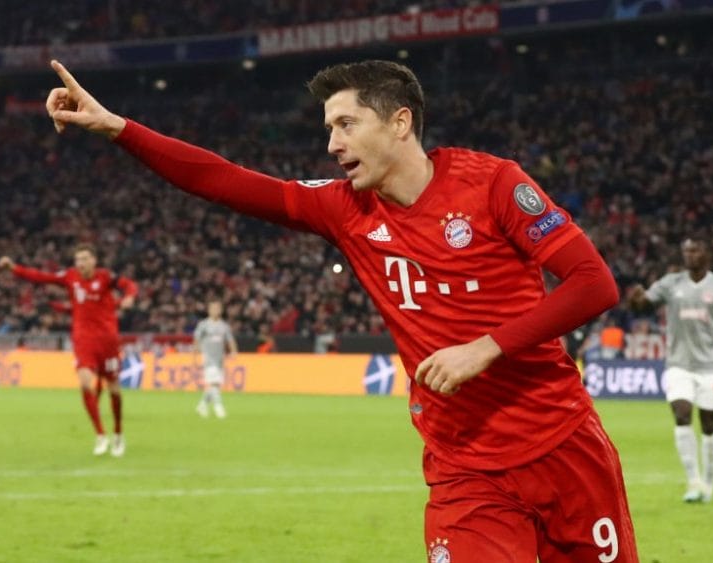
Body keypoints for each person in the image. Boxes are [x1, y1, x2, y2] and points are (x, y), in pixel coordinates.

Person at [45, 59, 637, 562]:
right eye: (329, 128)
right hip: (465, 468)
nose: (332, 144)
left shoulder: (493, 185)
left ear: (400, 122)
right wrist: (117, 127)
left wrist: (486, 347)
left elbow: (593, 283)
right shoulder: (342, 209)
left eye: (347, 124)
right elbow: (224, 180)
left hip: (563, 446)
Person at [628, 238, 713, 503]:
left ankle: (709, 482)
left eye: (695, 250)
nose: (689, 255)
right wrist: (635, 300)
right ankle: (693, 481)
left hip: (709, 367)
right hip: (678, 364)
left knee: (709, 423)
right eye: (685, 251)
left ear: (707, 253)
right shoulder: (671, 283)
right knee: (682, 413)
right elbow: (643, 305)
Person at [0, 244, 138, 456]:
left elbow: (129, 285)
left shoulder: (106, 277)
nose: (80, 263)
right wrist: (13, 268)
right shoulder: (70, 277)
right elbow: (40, 277)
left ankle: (118, 433)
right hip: (83, 340)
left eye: (84, 258)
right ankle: (100, 435)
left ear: (94, 260)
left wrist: (129, 297)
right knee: (84, 382)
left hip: (108, 340)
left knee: (114, 388)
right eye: (77, 259)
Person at [193, 300, 237, 419]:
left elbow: (230, 340)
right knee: (214, 383)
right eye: (213, 308)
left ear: (221, 310)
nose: (215, 310)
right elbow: (197, 338)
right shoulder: (204, 325)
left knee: (215, 385)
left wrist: (233, 351)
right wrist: (196, 350)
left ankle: (202, 405)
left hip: (220, 359)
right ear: (209, 310)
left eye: (218, 308)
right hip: (208, 357)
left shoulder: (224, 326)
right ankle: (218, 407)